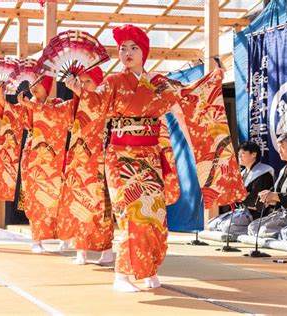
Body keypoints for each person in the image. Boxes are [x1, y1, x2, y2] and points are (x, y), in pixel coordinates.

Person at [66, 24, 245, 292]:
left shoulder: (159, 83)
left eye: (133, 47)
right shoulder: (113, 82)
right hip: (120, 157)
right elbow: (94, 104)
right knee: (130, 213)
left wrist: (213, 79)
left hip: (149, 157)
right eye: (123, 48)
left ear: (144, 52)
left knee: (155, 215)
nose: (127, 52)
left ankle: (147, 268)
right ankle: (122, 275)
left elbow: (189, 98)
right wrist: (80, 90)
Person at [56, 67, 116, 264]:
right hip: (79, 162)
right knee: (79, 205)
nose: (83, 85)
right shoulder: (78, 102)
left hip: (99, 161)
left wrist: (80, 93)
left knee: (100, 208)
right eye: (81, 81)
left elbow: (96, 107)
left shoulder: (103, 101)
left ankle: (106, 249)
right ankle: (80, 249)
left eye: (88, 81)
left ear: (99, 83)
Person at [17, 75, 70, 253]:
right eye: (31, 84)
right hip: (33, 156)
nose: (33, 87)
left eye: (38, 83)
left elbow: (57, 118)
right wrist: (5, 100)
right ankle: (36, 240)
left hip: (54, 158)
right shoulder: (27, 104)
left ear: (47, 85)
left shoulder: (57, 103)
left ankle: (64, 236)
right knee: (34, 198)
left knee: (59, 198)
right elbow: (22, 123)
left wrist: (31, 106)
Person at [208, 141, 274, 235]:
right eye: (239, 154)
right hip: (241, 211)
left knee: (227, 228)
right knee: (211, 224)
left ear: (253, 154)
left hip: (255, 214)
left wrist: (240, 196)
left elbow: (256, 199)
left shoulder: (264, 172)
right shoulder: (242, 173)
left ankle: (253, 231)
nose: (240, 156)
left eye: (243, 153)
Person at [249, 132, 287, 238]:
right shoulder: (283, 169)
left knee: (262, 231)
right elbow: (279, 195)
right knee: (253, 227)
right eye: (278, 147)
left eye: (282, 147)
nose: (279, 151)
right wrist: (269, 199)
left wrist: (275, 196)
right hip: (281, 213)